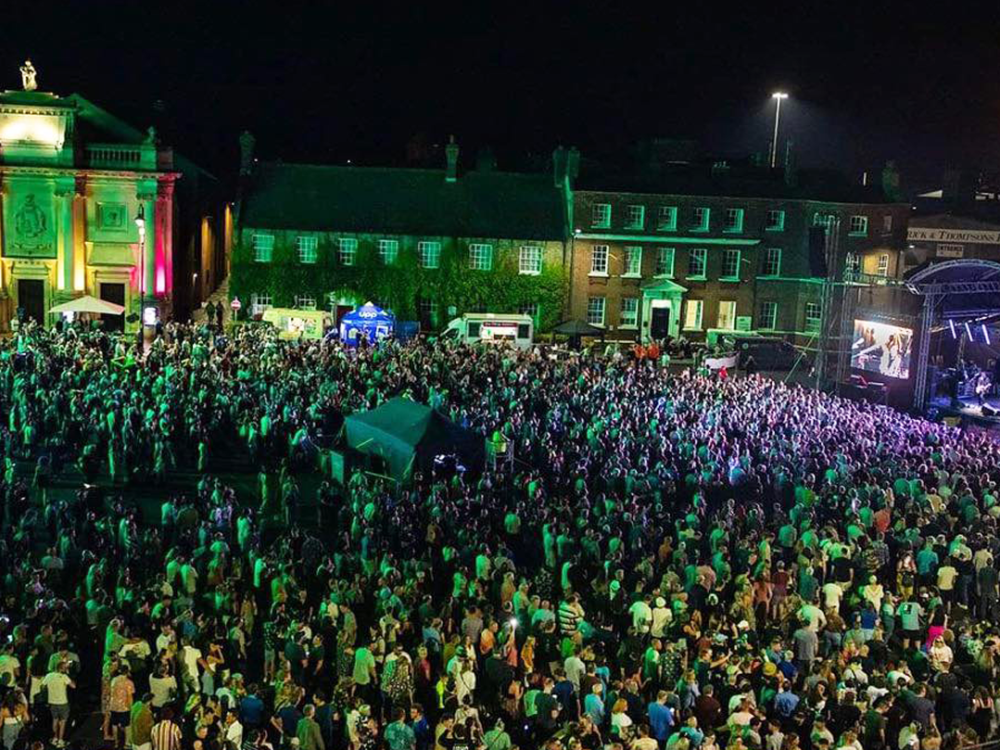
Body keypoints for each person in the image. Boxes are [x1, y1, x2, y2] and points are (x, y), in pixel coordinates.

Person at [42, 661, 75, 748]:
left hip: (52, 702)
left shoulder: (49, 675)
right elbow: (73, 686)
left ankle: (55, 738)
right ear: (61, 668)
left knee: (55, 720)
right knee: (63, 722)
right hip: (63, 702)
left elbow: (42, 686)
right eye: (65, 667)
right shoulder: (64, 676)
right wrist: (69, 674)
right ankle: (60, 741)